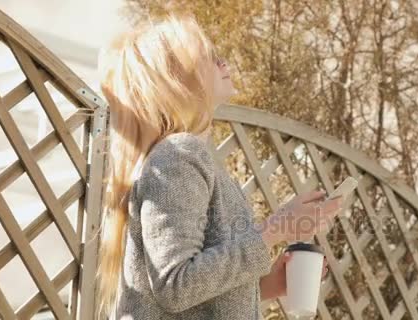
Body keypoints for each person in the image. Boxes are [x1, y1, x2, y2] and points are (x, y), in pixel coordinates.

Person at [95, 14, 343, 320]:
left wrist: (264, 285)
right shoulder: (177, 155)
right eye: (209, 59)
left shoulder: (185, 157)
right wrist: (275, 229)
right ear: (177, 80)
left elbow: (187, 294)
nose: (224, 63)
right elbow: (176, 286)